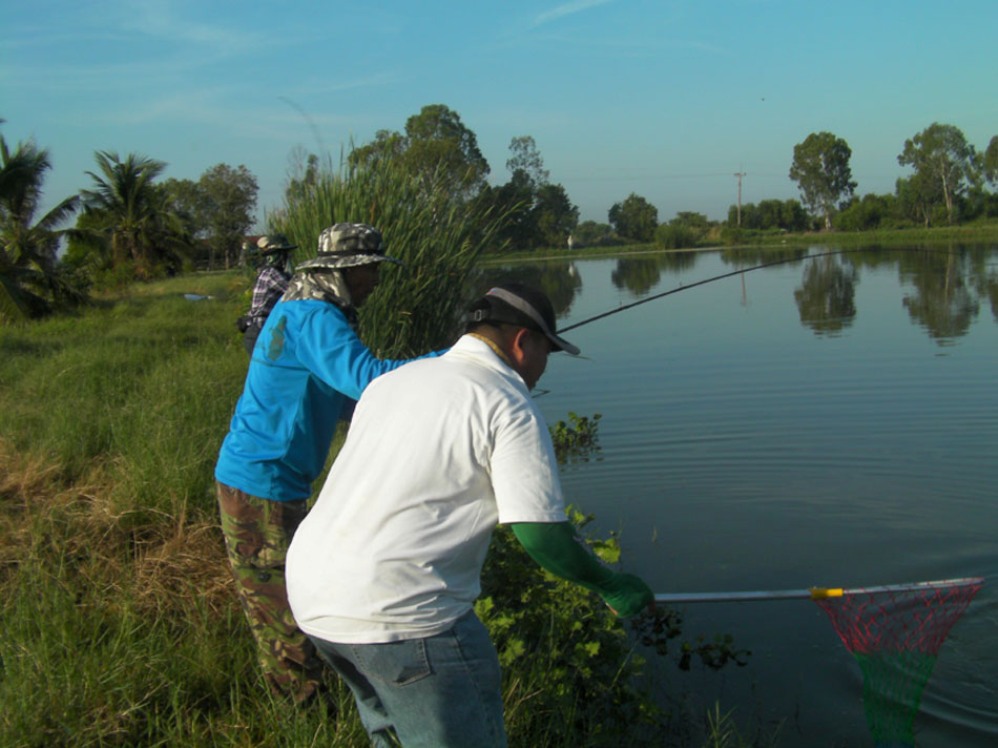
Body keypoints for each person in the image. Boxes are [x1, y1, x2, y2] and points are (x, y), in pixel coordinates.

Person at [286, 282, 653, 746]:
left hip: (315, 601)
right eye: (547, 351)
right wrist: (613, 586)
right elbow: (541, 536)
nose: (541, 369)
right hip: (403, 614)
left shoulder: (391, 383)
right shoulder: (505, 400)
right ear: (523, 342)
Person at [215, 222, 433, 704]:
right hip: (261, 485)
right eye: (371, 270)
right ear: (346, 271)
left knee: (301, 601)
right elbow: (368, 380)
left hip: (269, 482)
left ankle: (314, 703)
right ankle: (305, 718)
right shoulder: (315, 316)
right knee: (283, 618)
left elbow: (348, 401)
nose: (376, 280)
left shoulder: (304, 310)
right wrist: (448, 363)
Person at [239, 234, 296, 355]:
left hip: (262, 329)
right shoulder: (271, 273)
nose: (288, 257)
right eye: (285, 254)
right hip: (259, 330)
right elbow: (295, 290)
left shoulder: (275, 273)